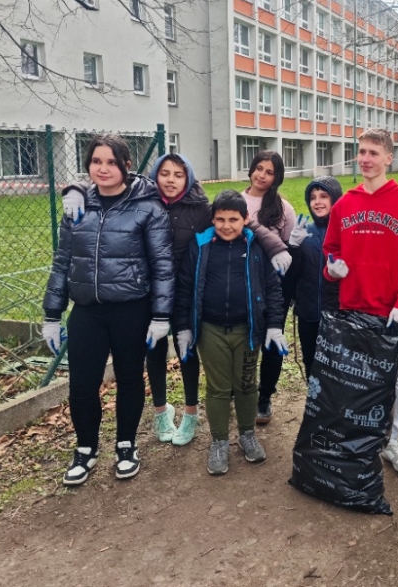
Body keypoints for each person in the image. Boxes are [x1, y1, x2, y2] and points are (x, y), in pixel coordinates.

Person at [61, 154, 291, 446]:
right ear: (155, 175)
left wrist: (275, 247)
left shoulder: (200, 208)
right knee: (154, 350)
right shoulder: (141, 199)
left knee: (187, 350)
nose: (171, 180)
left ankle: (190, 413)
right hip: (149, 292)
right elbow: (108, 183)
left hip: (186, 290)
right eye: (165, 173)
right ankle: (161, 412)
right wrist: (76, 188)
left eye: (178, 175)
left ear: (188, 178)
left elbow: (240, 221)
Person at [42, 135, 174, 486]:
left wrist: (161, 316)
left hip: (131, 310)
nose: (103, 169)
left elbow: (162, 266)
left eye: (111, 162)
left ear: (126, 165)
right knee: (81, 384)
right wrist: (52, 314)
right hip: (87, 311)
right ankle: (85, 449)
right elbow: (62, 262)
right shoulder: (77, 207)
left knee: (129, 379)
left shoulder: (148, 208)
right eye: (96, 161)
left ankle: (126, 446)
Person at [322, 129, 398, 475]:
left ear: (388, 158)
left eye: (373, 153)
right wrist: (332, 268)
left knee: (391, 379)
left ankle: (390, 441)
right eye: (362, 152)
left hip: (388, 312)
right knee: (353, 378)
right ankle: (357, 439)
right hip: (352, 308)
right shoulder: (344, 205)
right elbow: (331, 249)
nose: (365, 159)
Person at [173, 190, 287, 475]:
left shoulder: (256, 246)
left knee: (247, 383)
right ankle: (219, 441)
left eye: (233, 219)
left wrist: (274, 324)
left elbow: (272, 288)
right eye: (220, 219)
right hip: (211, 330)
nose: (226, 225)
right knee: (218, 388)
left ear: (245, 219)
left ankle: (247, 434)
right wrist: (184, 327)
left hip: (247, 330)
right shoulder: (200, 245)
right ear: (212, 219)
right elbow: (185, 287)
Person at [242, 151, 297, 424]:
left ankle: (264, 396)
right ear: (251, 169)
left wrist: (290, 291)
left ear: (277, 178)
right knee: (241, 340)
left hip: (274, 287)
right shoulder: (235, 201)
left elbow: (290, 249)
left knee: (272, 341)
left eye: (270, 172)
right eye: (259, 168)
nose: (262, 175)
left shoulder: (284, 209)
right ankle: (241, 392)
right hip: (240, 283)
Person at [286, 176, 343, 379]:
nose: (317, 202)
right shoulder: (304, 233)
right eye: (312, 197)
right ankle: (314, 396)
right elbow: (291, 275)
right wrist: (293, 248)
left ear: (335, 199)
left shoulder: (345, 231)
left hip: (338, 315)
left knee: (337, 367)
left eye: (323, 196)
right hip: (308, 314)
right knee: (311, 363)